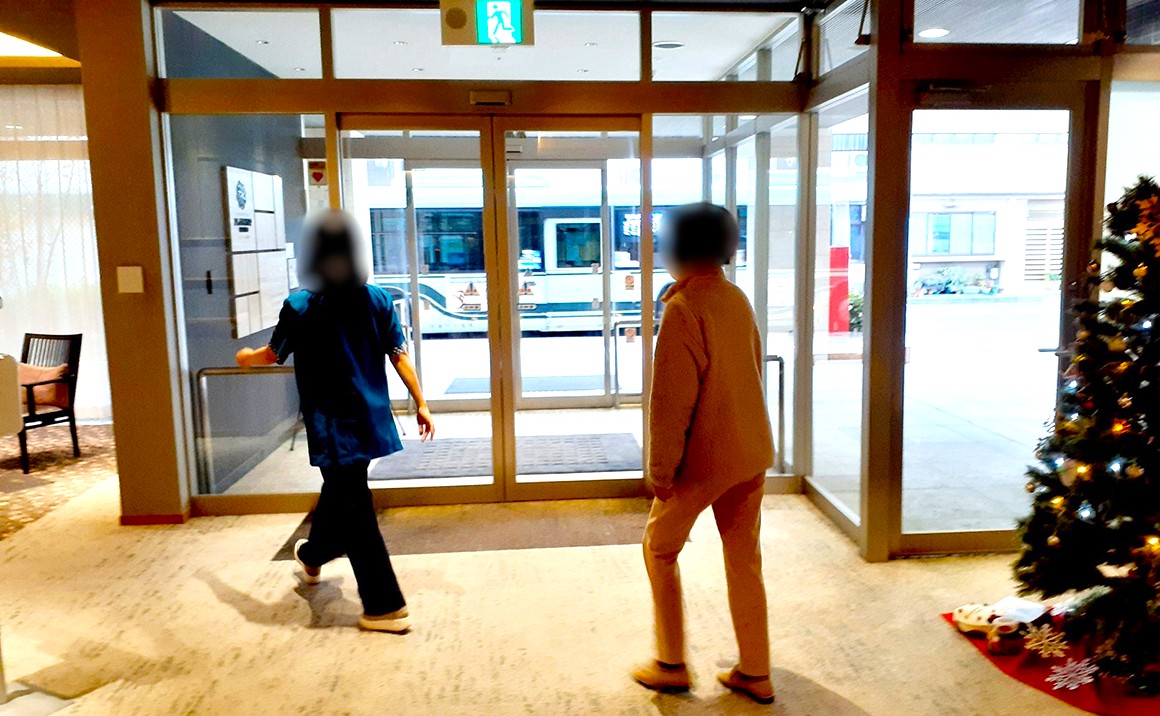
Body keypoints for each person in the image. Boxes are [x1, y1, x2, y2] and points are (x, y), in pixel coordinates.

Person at [236, 209, 434, 634]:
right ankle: (312, 556)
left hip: (333, 423)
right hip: (369, 419)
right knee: (343, 491)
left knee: (356, 510)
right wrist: (421, 402)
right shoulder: (377, 300)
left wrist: (246, 358)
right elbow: (398, 353)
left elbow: (272, 354)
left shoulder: (301, 305)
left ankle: (385, 607)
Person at [632, 203, 775, 704]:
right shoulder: (735, 298)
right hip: (750, 451)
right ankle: (756, 671)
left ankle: (671, 663)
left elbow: (671, 402)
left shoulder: (684, 308)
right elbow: (753, 369)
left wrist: (661, 470)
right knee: (744, 558)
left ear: (678, 248)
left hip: (704, 460)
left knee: (659, 548)